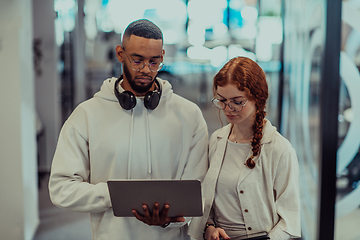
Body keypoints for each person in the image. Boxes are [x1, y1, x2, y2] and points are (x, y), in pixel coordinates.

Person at [49, 19, 208, 240]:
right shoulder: (86, 115)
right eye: (137, 60)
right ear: (120, 54)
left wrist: (171, 219)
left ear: (162, 56)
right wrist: (115, 195)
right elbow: (61, 188)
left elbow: (196, 192)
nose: (145, 70)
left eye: (154, 62)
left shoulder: (189, 116)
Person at [188, 57, 301, 240]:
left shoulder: (279, 149)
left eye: (237, 101)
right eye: (222, 100)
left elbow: (290, 220)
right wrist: (209, 227)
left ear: (258, 97)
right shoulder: (217, 140)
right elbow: (208, 199)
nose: (228, 108)